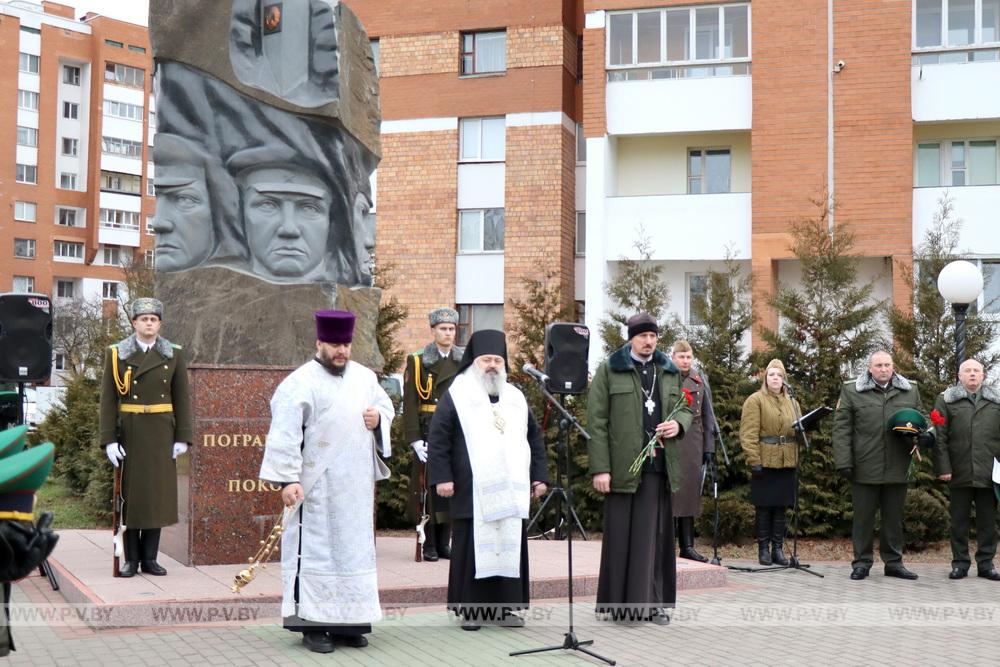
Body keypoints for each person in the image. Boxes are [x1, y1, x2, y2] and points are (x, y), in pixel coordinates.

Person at [259, 310, 394, 654]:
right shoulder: (299, 383)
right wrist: (287, 479)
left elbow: (386, 407)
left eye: (346, 344)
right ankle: (313, 627)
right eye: (335, 344)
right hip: (315, 488)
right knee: (317, 555)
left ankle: (350, 623)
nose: (341, 351)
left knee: (352, 554)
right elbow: (284, 435)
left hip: (355, 488)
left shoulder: (364, 378)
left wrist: (379, 419)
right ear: (319, 343)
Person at [426, 329, 549, 631]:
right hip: (471, 489)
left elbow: (534, 439)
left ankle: (505, 609)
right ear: (473, 362)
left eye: (497, 360)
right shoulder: (458, 394)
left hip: (511, 488)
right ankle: (470, 610)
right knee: (471, 548)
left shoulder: (516, 398)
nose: (492, 365)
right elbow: (438, 439)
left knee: (508, 545)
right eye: (486, 360)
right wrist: (442, 477)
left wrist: (539, 477)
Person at [587, 313, 693, 624]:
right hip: (621, 469)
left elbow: (685, 407)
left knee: (656, 539)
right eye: (642, 336)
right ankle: (620, 606)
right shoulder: (610, 369)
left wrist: (678, 424)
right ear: (631, 337)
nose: (648, 342)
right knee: (622, 537)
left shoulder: (669, 370)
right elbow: (596, 422)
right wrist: (600, 469)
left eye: (653, 336)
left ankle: (654, 603)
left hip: (658, 467)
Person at [99, 298, 193, 578]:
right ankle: (131, 559)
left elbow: (182, 398)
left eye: (153, 319)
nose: (149, 323)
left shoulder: (173, 354)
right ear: (134, 323)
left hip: (161, 432)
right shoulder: (117, 354)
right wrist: (109, 439)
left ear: (160, 324)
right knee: (131, 496)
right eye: (143, 319)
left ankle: (150, 558)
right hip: (131, 431)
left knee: (156, 496)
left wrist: (183, 436)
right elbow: (108, 399)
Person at [833, 350, 921, 581]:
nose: (884, 369)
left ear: (893, 367)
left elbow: (921, 419)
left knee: (893, 518)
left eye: (887, 365)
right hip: (864, 465)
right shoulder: (852, 390)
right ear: (870, 368)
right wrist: (843, 461)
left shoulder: (910, 390)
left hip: (897, 463)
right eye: (879, 365)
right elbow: (841, 429)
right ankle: (861, 563)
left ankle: (894, 563)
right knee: (863, 519)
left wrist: (924, 435)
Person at [932, 358, 1000, 581]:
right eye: (967, 371)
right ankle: (960, 563)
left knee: (988, 523)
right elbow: (940, 437)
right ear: (959, 376)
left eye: (976, 371)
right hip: (958, 471)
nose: (972, 374)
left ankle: (986, 564)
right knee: (958, 522)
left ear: (983, 375)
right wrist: (944, 467)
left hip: (990, 472)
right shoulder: (946, 400)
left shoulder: (996, 401)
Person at [404, 308, 463, 562]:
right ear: (433, 331)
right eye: (443, 329)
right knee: (427, 488)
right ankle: (427, 542)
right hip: (428, 427)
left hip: (453, 429)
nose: (448, 333)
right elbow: (410, 402)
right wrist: (415, 438)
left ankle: (444, 542)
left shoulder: (463, 360)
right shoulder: (418, 361)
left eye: (451, 329)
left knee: (451, 484)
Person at [739, 359, 799, 566]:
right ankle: (763, 550)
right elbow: (748, 433)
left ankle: (778, 549)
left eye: (779, 375)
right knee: (764, 507)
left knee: (781, 507)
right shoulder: (755, 400)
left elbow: (797, 427)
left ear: (784, 379)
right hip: (764, 461)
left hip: (787, 461)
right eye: (772, 375)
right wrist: (753, 459)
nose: (775, 378)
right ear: (766, 379)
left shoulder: (792, 401)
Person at [669, 341, 715, 562]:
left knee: (688, 494)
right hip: (668, 440)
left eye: (688, 357)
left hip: (693, 442)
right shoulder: (665, 377)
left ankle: (687, 546)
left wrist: (709, 448)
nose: (685, 361)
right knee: (668, 495)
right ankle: (665, 546)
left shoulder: (700, 380)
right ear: (673, 357)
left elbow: (708, 417)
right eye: (681, 357)